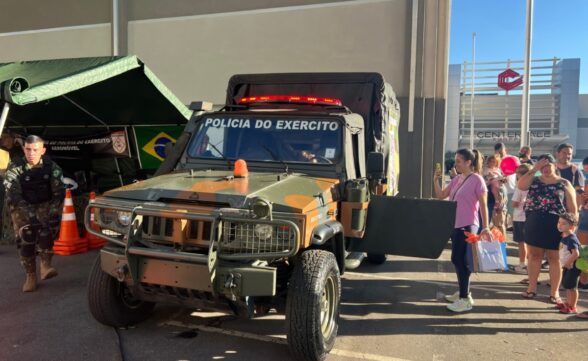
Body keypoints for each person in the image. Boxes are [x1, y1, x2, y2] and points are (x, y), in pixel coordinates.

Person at [4, 135, 65, 292]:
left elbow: (58, 192)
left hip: (44, 204)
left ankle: (45, 265)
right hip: (21, 207)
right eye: (28, 149)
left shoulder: (52, 167)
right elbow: (13, 194)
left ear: (43, 150)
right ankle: (30, 275)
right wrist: (30, 215)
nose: (31, 153)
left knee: (46, 231)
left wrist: (52, 213)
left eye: (35, 150)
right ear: (24, 149)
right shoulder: (16, 167)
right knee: (27, 237)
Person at [434, 148, 491, 312]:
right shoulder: (457, 178)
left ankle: (465, 299)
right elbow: (441, 195)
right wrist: (436, 180)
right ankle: (464, 292)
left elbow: (483, 206)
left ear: (468, 163)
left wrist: (486, 226)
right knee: (458, 260)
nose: (456, 164)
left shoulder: (477, 179)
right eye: (456, 161)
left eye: (459, 161)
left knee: (461, 261)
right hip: (455, 225)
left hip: (468, 226)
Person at [517, 154, 578, 303]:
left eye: (547, 165)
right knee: (534, 256)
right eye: (542, 166)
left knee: (554, 258)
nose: (544, 169)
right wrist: (534, 169)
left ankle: (554, 293)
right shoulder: (534, 179)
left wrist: (571, 229)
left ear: (554, 165)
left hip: (557, 224)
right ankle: (531, 288)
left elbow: (573, 209)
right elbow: (521, 185)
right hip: (534, 222)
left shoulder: (564, 183)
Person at [556, 213, 582, 314]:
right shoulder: (565, 236)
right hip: (567, 266)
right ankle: (568, 303)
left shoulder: (571, 238)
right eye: (559, 222)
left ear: (571, 226)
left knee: (572, 287)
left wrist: (567, 263)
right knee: (567, 285)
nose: (560, 225)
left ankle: (573, 306)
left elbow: (576, 253)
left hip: (573, 267)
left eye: (563, 224)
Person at [511, 164, 533, 274]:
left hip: (520, 217)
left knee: (521, 243)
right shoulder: (534, 186)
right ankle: (530, 264)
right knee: (530, 243)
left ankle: (522, 264)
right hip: (530, 217)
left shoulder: (519, 187)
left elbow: (514, 204)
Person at [483, 154, 508, 238]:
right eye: (490, 161)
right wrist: (492, 178)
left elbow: (503, 179)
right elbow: (487, 180)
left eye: (494, 162)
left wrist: (502, 179)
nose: (492, 163)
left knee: (499, 223)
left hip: (500, 193)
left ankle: (502, 240)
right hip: (491, 197)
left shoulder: (498, 170)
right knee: (491, 222)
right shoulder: (486, 170)